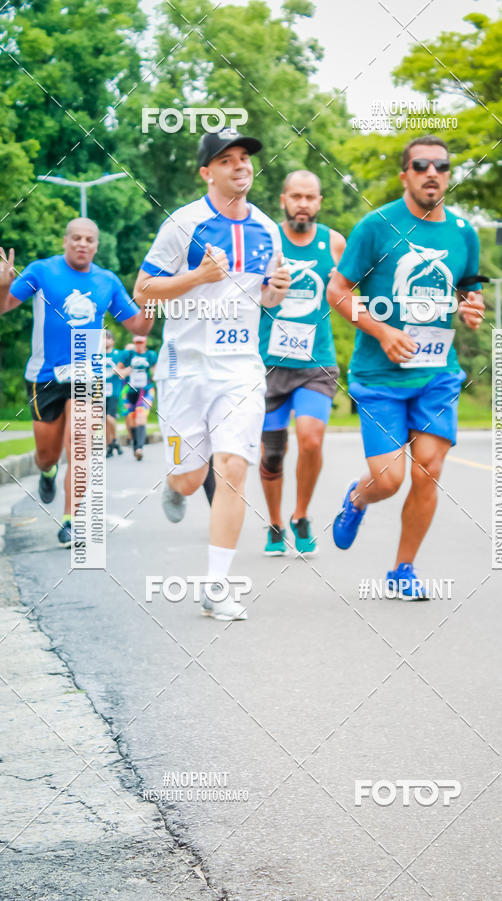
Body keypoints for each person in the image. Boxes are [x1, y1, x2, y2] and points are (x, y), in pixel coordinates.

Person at [134, 128, 291, 621]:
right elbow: (143, 291)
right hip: (183, 369)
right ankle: (174, 482)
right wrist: (198, 277)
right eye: (227, 159)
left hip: (240, 367)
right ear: (207, 172)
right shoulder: (183, 223)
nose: (240, 165)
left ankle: (217, 585)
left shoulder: (268, 228)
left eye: (244, 157)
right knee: (189, 476)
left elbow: (266, 294)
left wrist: (276, 292)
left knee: (234, 467)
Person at [326, 136, 485, 598]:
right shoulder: (375, 227)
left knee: (428, 469)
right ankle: (357, 498)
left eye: (441, 166)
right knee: (390, 480)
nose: (432, 172)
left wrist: (471, 308)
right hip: (379, 376)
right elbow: (337, 291)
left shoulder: (462, 231)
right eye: (421, 165)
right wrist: (382, 331)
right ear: (405, 175)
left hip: (437, 373)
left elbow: (466, 291)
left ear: (449, 175)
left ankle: (402, 570)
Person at [0, 220, 152, 547]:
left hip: (87, 373)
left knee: (81, 444)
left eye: (89, 240)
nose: (82, 244)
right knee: (47, 454)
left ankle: (71, 521)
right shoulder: (42, 271)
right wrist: (2, 285)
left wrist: (155, 299)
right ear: (66, 240)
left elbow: (139, 326)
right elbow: (4, 306)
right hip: (45, 376)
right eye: (76, 238)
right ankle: (47, 472)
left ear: (97, 245)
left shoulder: (106, 281)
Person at [258, 170, 345, 556]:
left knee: (311, 438)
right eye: (296, 197)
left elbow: (348, 292)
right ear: (283, 200)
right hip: (270, 364)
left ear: (319, 202)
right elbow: (248, 293)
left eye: (311, 198)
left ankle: (301, 514)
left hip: (316, 363)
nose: (303, 205)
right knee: (272, 453)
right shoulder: (266, 239)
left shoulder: (334, 242)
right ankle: (275, 521)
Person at [117, 334, 157, 461]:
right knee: (131, 419)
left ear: (145, 342)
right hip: (130, 390)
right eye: (137, 342)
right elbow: (118, 372)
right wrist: (126, 371)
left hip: (145, 390)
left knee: (141, 415)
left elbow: (156, 372)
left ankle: (139, 448)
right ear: (134, 342)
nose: (139, 344)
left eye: (141, 342)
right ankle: (135, 445)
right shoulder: (128, 355)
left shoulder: (150, 355)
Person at [105, 329, 125, 458]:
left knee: (109, 418)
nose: (104, 340)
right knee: (103, 421)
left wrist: (114, 368)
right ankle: (111, 445)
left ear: (112, 340)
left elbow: (122, 374)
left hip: (113, 391)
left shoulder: (118, 354)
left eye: (107, 338)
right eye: (102, 338)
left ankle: (115, 439)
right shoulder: (96, 355)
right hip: (99, 391)